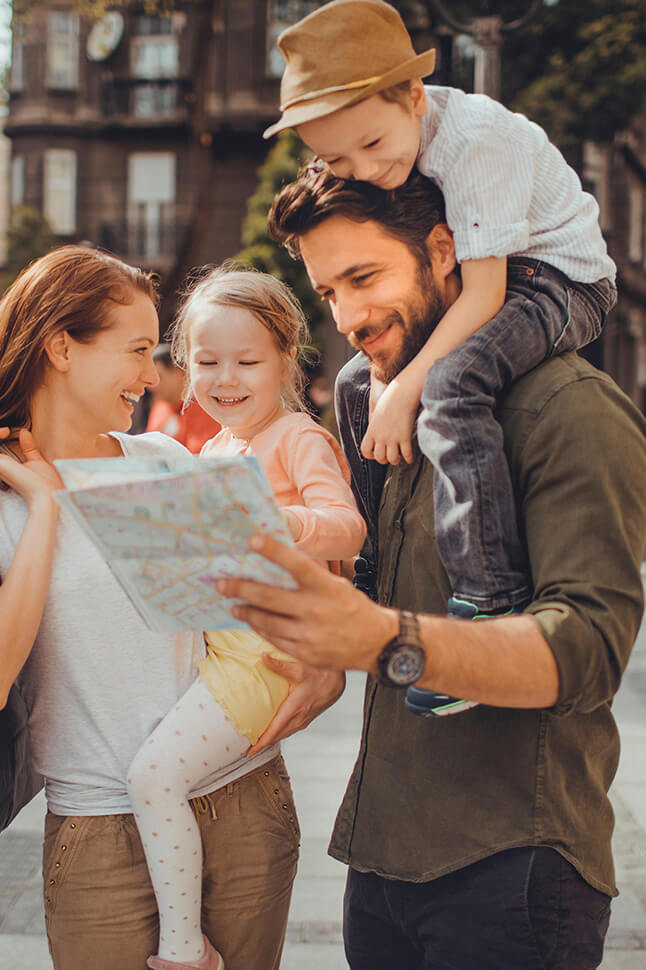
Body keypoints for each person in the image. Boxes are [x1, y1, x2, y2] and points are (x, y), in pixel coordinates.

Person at [216, 164, 646, 970]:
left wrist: (385, 640)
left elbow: (586, 653)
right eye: (329, 290)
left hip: (514, 870)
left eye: (364, 278)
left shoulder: (569, 409)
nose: (346, 315)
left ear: (446, 249)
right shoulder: (368, 400)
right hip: (378, 860)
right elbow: (376, 584)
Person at [263, 0, 618, 719]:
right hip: (502, 277)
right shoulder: (377, 145)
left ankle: (488, 598)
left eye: (369, 145)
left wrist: (407, 395)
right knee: (359, 383)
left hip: (557, 277)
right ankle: (371, 576)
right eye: (337, 160)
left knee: (453, 384)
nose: (367, 174)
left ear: (415, 96)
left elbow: (486, 291)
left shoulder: (475, 142)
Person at [0, 246, 343, 970]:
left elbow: (261, 595)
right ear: (62, 346)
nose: (154, 376)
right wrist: (43, 508)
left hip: (246, 800)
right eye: (134, 350)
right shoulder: (6, 502)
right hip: (99, 831)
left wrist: (324, 663)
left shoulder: (166, 457)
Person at [126, 266, 366, 970]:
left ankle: (183, 947)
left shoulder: (297, 438)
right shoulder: (215, 450)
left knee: (153, 777)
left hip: (263, 658)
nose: (224, 377)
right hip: (222, 645)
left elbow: (347, 528)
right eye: (206, 361)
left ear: (286, 358)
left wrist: (278, 516)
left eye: (247, 361)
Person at [146, 343, 221, 453]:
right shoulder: (159, 408)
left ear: (179, 373)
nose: (152, 386)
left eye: (159, 377)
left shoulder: (206, 407)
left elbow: (200, 455)